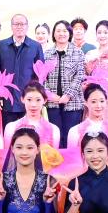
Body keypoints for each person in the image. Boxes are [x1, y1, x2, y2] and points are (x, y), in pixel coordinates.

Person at [0, 14, 45, 126]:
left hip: (29, 99)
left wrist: (38, 97)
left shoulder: (35, 46)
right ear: (11, 26)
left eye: (22, 24)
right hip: (7, 98)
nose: (19, 27)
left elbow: (40, 74)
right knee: (9, 130)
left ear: (27, 26)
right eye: (16, 24)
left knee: (29, 131)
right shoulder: (1, 45)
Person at [43, 20, 86, 148]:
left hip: (73, 102)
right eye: (58, 31)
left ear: (70, 33)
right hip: (52, 103)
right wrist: (51, 95)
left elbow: (80, 76)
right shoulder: (46, 54)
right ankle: (56, 160)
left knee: (70, 137)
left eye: (64, 31)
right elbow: (42, 77)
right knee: (55, 137)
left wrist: (68, 95)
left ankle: (70, 160)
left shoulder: (78, 53)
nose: (61, 33)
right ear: (53, 34)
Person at [2, 82, 60, 149]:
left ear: (45, 100)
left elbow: (54, 155)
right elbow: (8, 154)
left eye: (38, 100)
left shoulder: (54, 130)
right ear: (22, 99)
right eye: (29, 100)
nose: (33, 105)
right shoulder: (11, 128)